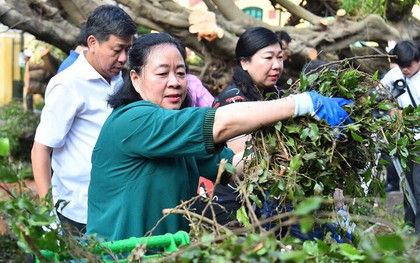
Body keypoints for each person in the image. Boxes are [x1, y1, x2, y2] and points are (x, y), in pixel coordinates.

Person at [85, 31, 353, 241]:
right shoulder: (132, 120)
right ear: (135, 78)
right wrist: (302, 104)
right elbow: (221, 124)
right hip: (119, 253)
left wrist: (301, 152)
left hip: (166, 252)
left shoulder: (175, 135)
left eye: (180, 73)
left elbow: (234, 166)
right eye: (162, 73)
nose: (175, 82)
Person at [31, 5, 137, 236]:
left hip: (117, 207)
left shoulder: (124, 81)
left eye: (127, 50)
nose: (123, 58)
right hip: (76, 212)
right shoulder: (68, 84)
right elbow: (41, 149)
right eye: (117, 49)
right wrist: (47, 212)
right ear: (92, 42)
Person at [380, 39, 420, 232]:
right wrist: (391, 110)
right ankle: (409, 224)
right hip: (405, 140)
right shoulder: (395, 74)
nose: (405, 70)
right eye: (401, 65)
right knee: (408, 186)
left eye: (409, 66)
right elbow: (377, 93)